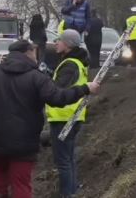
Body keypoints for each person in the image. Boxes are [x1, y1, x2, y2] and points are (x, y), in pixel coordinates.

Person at [0, 39, 100, 198]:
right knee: (21, 184)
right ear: (28, 53)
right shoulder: (37, 77)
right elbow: (58, 98)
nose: (36, 56)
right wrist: (84, 88)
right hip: (24, 143)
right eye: (34, 52)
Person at [46, 29, 91, 198]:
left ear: (68, 44)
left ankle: (67, 194)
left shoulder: (70, 64)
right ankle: (72, 190)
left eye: (59, 40)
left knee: (63, 160)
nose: (56, 43)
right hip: (73, 116)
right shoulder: (77, 62)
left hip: (63, 117)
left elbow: (57, 90)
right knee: (69, 158)